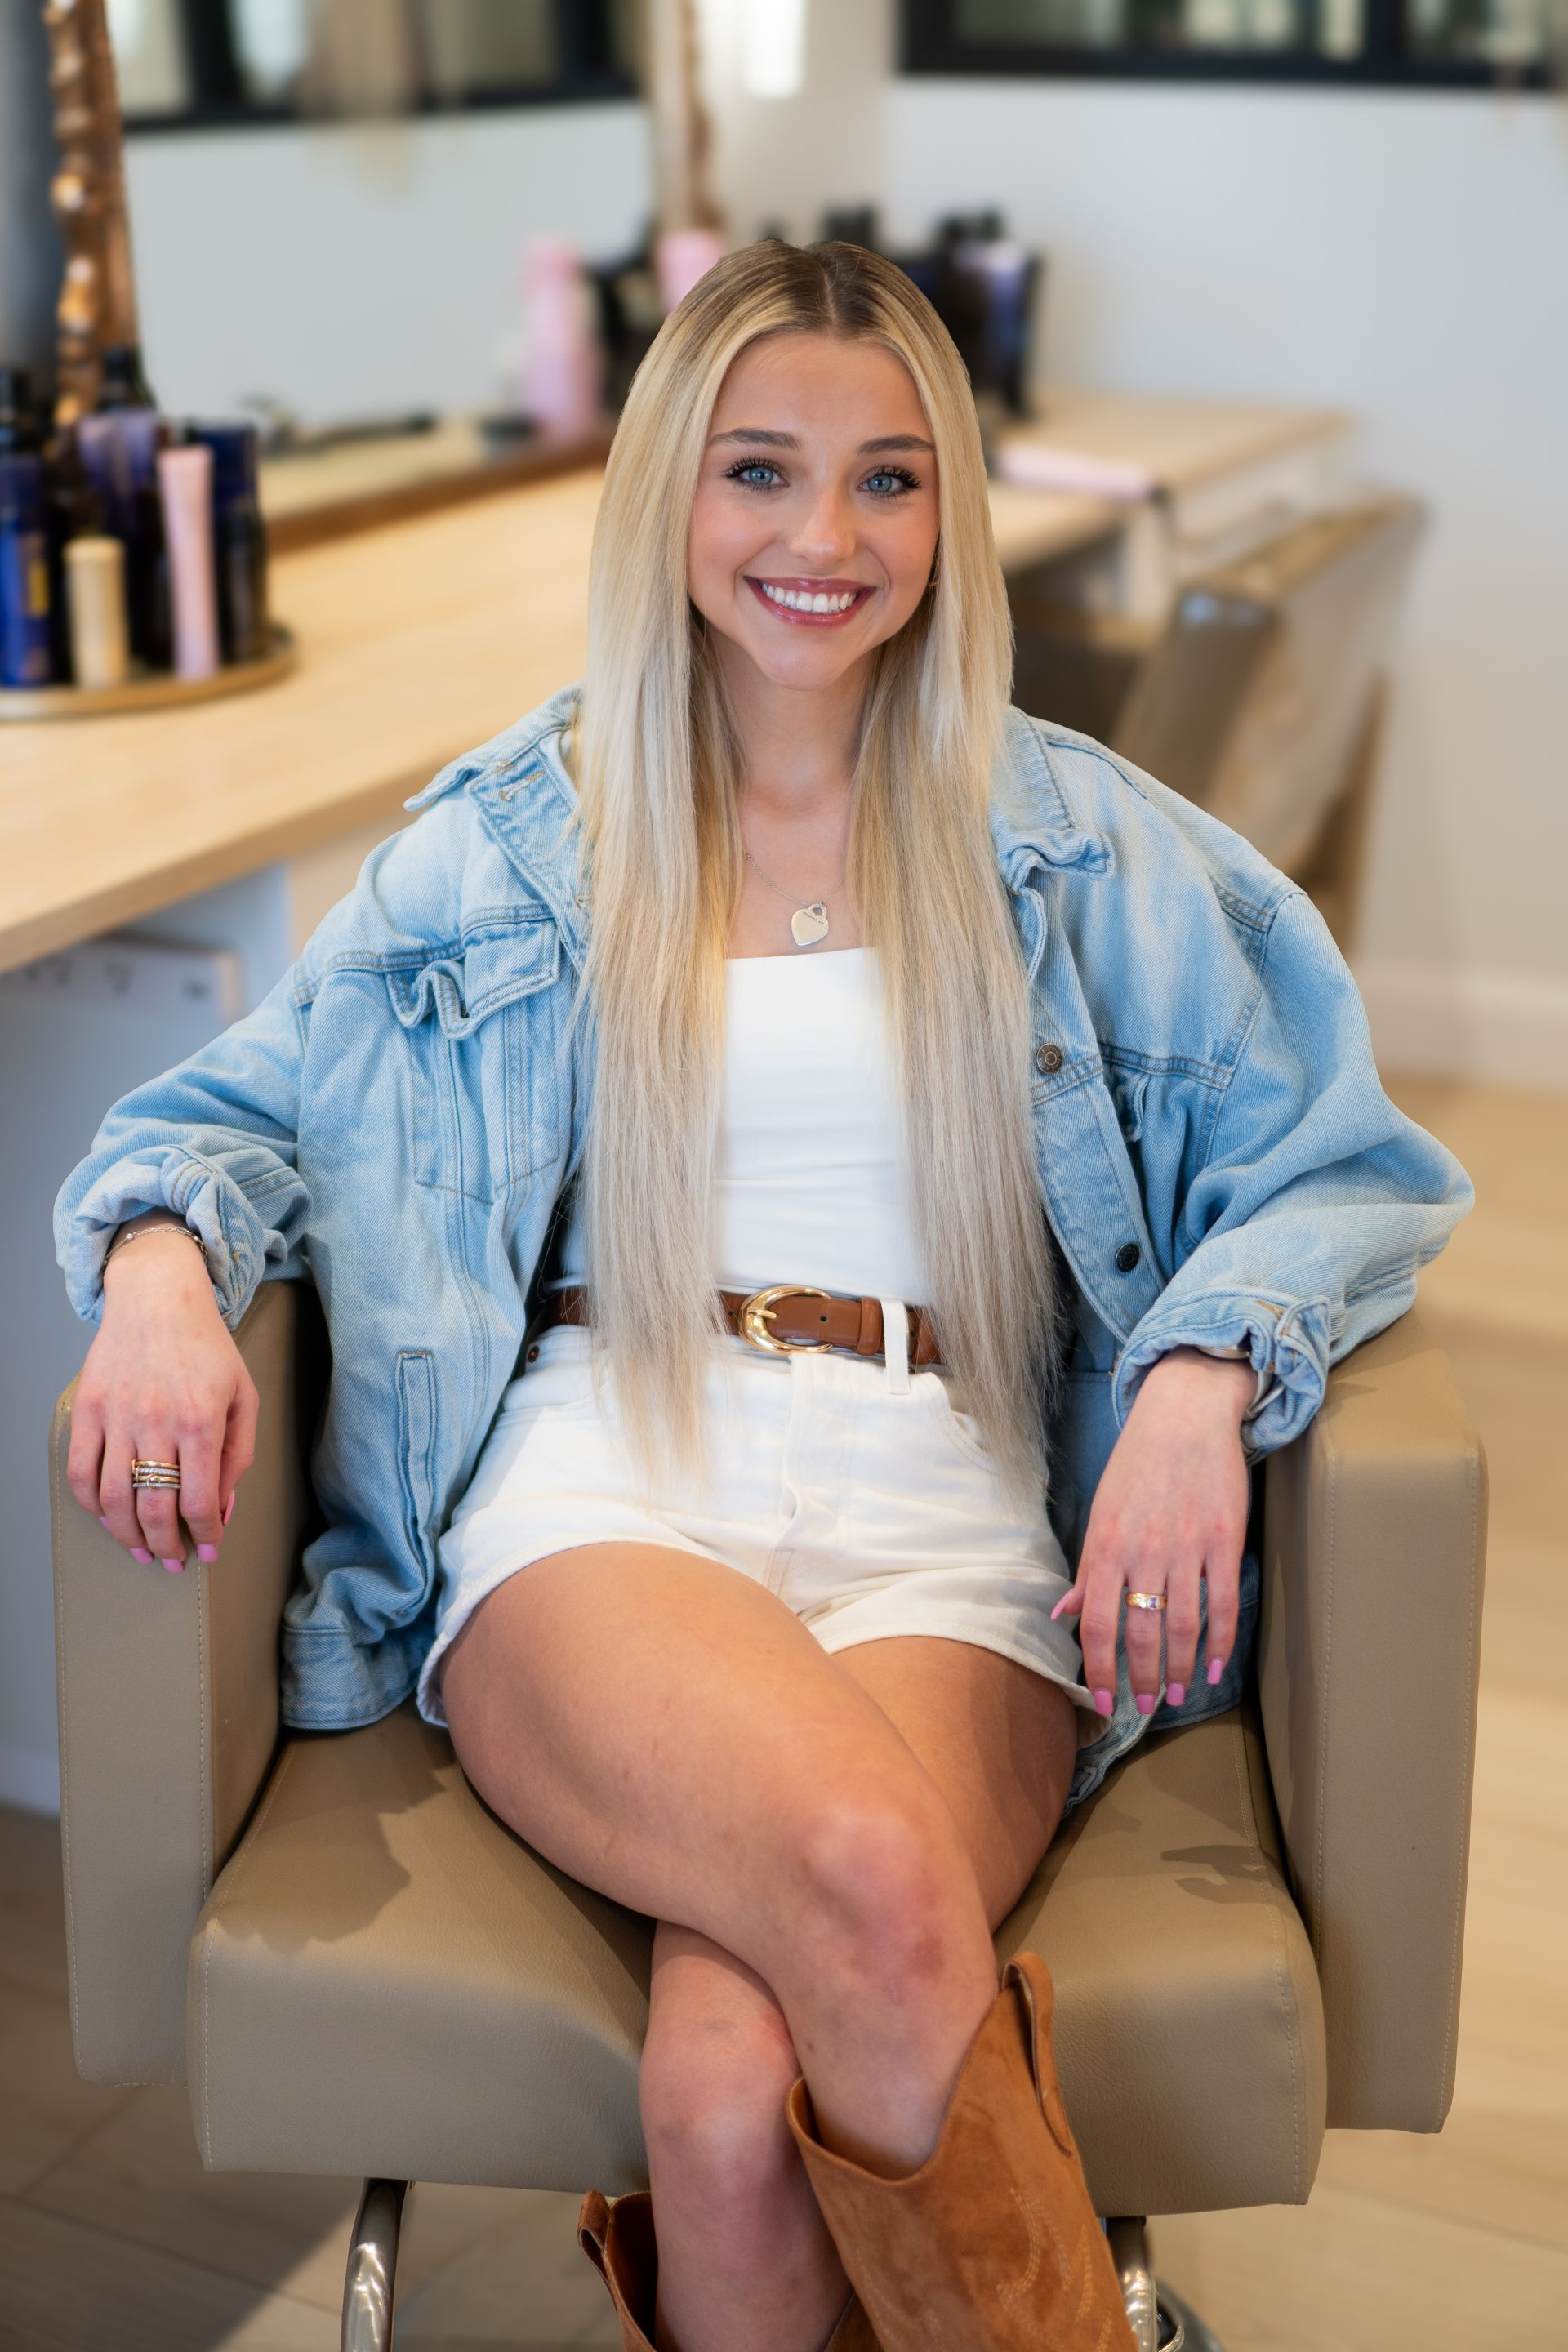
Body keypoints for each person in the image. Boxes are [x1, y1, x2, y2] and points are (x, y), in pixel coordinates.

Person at [56, 242, 1470, 2352]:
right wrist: (162, 1270)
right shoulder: (524, 848)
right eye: (762, 473)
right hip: (606, 1489)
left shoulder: (1088, 851)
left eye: (891, 481)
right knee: (879, 1894)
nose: (824, 539)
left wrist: (1195, 1373)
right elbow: (227, 1116)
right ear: (668, 500)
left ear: (951, 516)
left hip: (945, 1507)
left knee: (723, 2105)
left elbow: (1350, 1168)